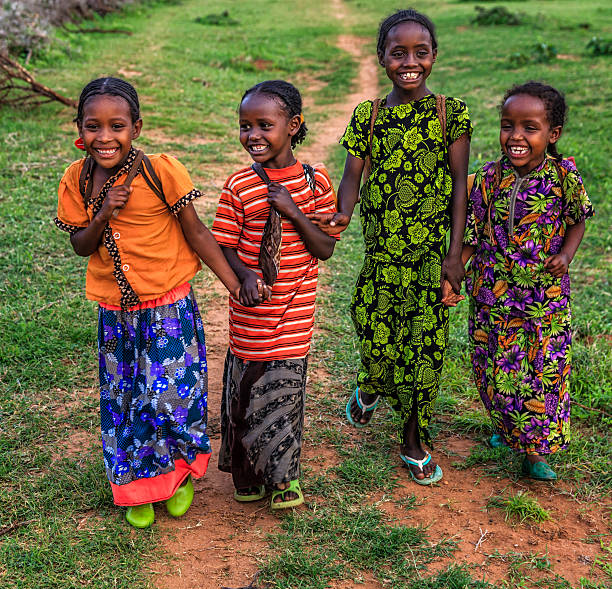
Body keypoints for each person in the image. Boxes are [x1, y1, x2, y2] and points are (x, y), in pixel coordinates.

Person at [55, 77, 243, 528]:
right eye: (93, 126)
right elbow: (82, 245)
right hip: (116, 316)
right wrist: (104, 211)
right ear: (79, 129)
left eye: (116, 126)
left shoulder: (161, 171)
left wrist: (233, 282)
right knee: (127, 401)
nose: (105, 137)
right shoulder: (75, 179)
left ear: (135, 127)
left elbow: (196, 232)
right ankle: (137, 485)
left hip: (168, 311)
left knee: (173, 398)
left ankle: (176, 476)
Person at [309, 10, 472, 485]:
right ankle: (370, 383)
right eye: (398, 52)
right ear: (381, 57)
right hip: (381, 259)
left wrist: (454, 255)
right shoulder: (369, 115)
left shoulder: (451, 112)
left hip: (427, 261)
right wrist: (341, 212)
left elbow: (460, 185)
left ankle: (413, 438)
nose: (409, 62)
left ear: (434, 56)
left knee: (425, 354)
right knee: (376, 340)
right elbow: (352, 176)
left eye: (420, 53)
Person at [443, 81, 593, 481]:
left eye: (530, 127)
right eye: (508, 125)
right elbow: (474, 232)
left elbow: (578, 220)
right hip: (493, 295)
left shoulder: (564, 178)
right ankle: (505, 427)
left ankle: (534, 453)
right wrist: (455, 271)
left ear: (552, 134)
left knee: (542, 371)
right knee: (495, 366)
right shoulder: (488, 179)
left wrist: (566, 254)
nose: (516, 136)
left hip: (543, 298)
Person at [212, 80, 337, 509]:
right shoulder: (238, 186)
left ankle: (284, 479)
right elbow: (224, 243)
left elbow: (324, 247)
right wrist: (245, 274)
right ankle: (245, 473)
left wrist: (293, 211)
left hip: (296, 312)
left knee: (285, 393)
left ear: (293, 125)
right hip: (251, 313)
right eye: (245, 126)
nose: (253, 135)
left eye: (265, 124)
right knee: (244, 391)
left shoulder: (315, 180)